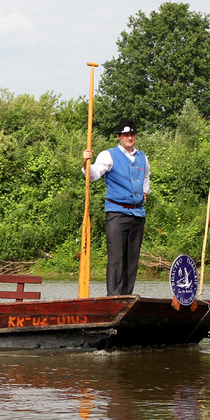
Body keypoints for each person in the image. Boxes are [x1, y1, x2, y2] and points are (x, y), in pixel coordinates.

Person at [83, 119, 150, 296]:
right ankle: (113, 297)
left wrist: (145, 192)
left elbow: (146, 177)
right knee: (116, 258)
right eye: (126, 135)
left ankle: (126, 296)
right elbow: (94, 175)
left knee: (132, 260)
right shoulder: (109, 155)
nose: (130, 138)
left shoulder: (142, 156)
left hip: (137, 213)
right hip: (116, 213)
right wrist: (86, 163)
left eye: (132, 134)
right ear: (119, 137)